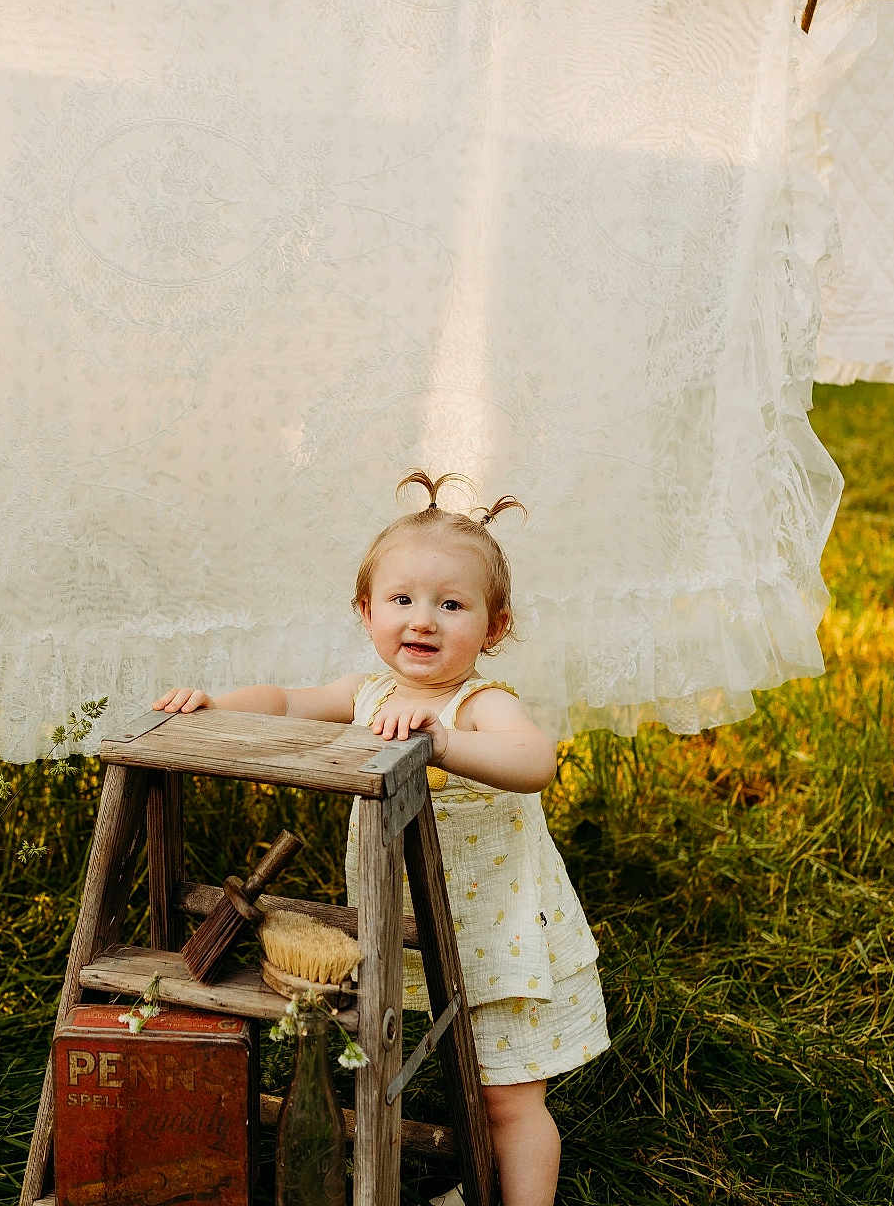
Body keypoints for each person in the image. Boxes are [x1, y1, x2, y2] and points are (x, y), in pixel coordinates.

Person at [154, 470, 608, 1206]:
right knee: (428, 1069)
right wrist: (215, 704)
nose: (423, 621)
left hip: (498, 935)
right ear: (367, 612)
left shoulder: (479, 705)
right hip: (408, 928)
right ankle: (471, 1182)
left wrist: (446, 741)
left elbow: (536, 761)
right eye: (402, 600)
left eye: (451, 605)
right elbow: (285, 702)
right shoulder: (366, 696)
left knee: (509, 1101)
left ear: (493, 627)